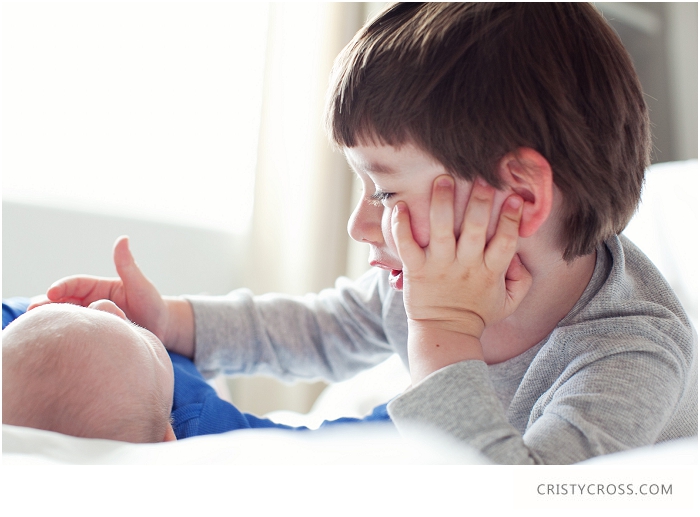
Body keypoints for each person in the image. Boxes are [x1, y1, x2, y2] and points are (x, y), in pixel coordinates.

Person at [33, 3, 696, 463]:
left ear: (519, 197)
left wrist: (445, 336)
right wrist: (174, 319)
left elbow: (522, 496)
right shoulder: (435, 274)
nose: (359, 224)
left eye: (385, 191)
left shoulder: (629, 352)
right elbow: (324, 328)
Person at [2, 300, 390, 442]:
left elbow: (20, 319)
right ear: (167, 440)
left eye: (86, 315)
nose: (108, 307)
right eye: (141, 338)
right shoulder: (198, 424)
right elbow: (333, 446)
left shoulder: (20, 353)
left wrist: (50, 314)